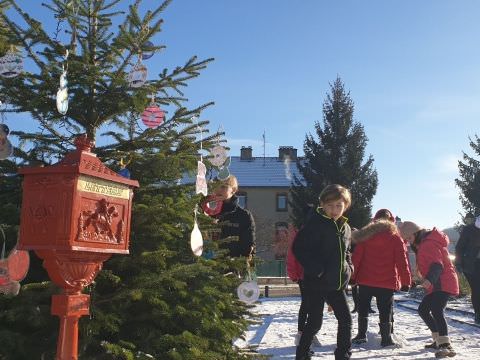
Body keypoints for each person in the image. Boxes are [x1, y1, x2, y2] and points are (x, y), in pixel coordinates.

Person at [292, 184, 353, 360]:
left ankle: (343, 355)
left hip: (337, 283)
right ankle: (302, 354)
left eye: (339, 206)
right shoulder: (314, 224)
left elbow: (347, 251)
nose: (334, 210)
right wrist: (316, 269)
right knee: (314, 322)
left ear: (345, 206)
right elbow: (299, 248)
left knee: (346, 319)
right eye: (330, 205)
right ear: (322, 204)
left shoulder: (345, 227)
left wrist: (349, 268)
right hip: (316, 283)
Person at [350, 209, 411, 347]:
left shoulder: (365, 236)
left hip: (365, 280)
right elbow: (402, 261)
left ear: (374, 220)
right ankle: (386, 338)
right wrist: (406, 281)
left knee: (363, 307)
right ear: (391, 222)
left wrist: (352, 277)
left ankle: (361, 335)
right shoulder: (396, 238)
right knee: (385, 310)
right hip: (387, 283)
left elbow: (356, 258)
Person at [399, 221, 459, 358]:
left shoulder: (428, 244)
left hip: (442, 282)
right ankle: (438, 340)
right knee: (423, 310)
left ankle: (445, 345)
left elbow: (437, 266)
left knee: (437, 309)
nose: (409, 242)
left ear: (415, 233)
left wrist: (429, 280)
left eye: (409, 238)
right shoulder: (424, 244)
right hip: (436, 283)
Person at [209, 175, 256, 259]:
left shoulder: (243, 216)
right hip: (205, 268)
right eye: (215, 186)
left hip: (232, 267)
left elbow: (248, 246)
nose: (218, 189)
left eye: (223, 186)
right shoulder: (206, 212)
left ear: (233, 190)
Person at [455, 214, 480, 324]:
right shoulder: (469, 230)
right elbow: (459, 248)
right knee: (477, 289)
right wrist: (458, 263)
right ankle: (478, 314)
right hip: (471, 265)